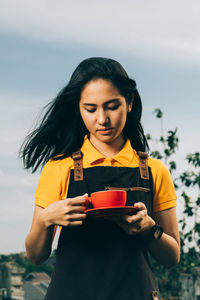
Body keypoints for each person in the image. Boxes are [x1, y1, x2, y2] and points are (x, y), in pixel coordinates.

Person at [21, 57, 180, 300]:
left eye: (112, 106)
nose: (102, 119)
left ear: (129, 102)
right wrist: (46, 219)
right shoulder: (59, 167)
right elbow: (35, 256)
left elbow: (172, 258)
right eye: (91, 109)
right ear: (79, 108)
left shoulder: (154, 170)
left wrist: (149, 229)